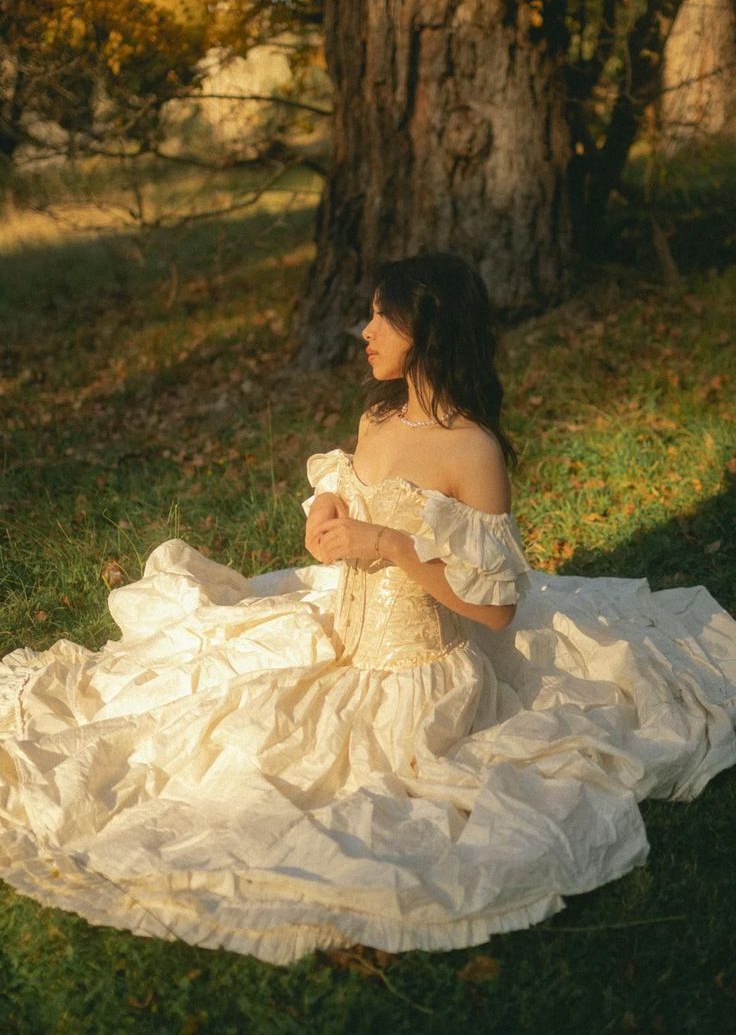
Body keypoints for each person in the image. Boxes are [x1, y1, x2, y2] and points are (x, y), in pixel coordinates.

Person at [0, 252, 735, 968]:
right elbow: (352, 486)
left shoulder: (472, 450)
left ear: (429, 335)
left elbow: (498, 612)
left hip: (419, 671)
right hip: (344, 630)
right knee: (192, 723)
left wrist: (388, 544)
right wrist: (328, 509)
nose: (365, 330)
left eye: (383, 317)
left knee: (314, 787)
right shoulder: (379, 416)